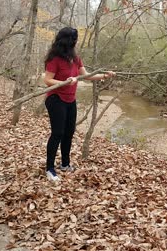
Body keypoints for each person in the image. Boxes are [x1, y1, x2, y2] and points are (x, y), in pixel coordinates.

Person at [43, 27, 115, 182]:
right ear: (67, 41)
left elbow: (86, 76)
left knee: (69, 132)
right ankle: (49, 169)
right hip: (56, 99)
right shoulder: (54, 59)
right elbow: (47, 80)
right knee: (58, 133)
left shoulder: (75, 58)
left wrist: (105, 75)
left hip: (70, 99)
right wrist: (65, 81)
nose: (75, 42)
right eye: (74, 40)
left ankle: (65, 164)